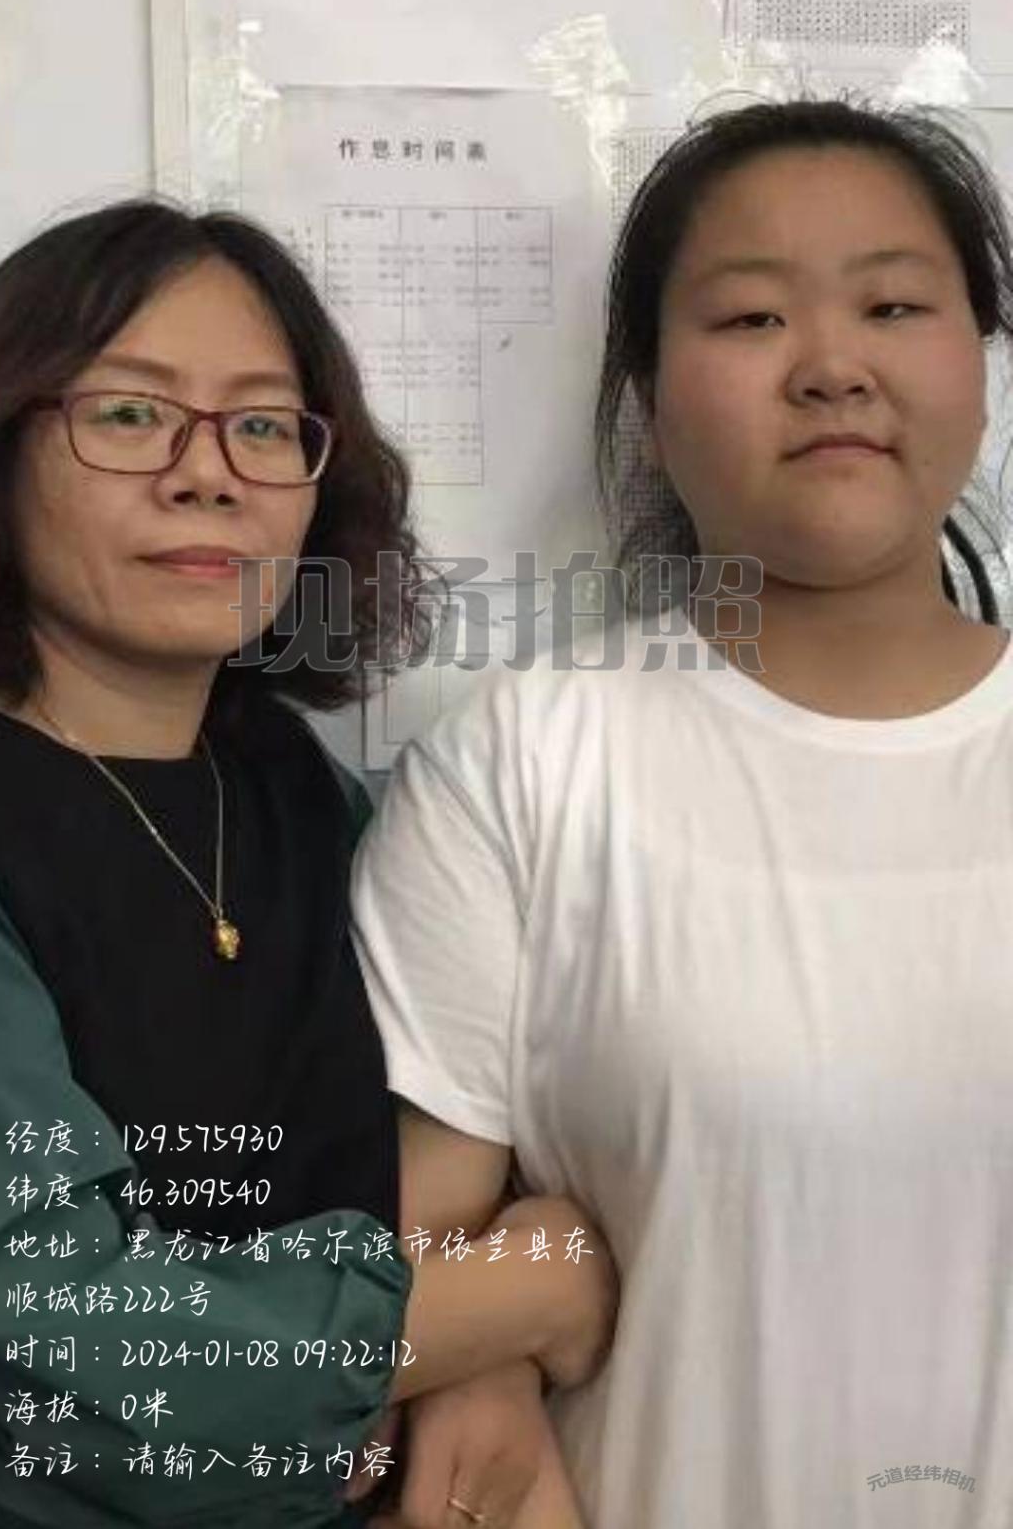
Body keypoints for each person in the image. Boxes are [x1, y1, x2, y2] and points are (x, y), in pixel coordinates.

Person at [350, 95, 1013, 1528]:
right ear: (648, 408)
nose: (832, 367)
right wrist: (489, 1349)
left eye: (895, 304)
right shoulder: (526, 762)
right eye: (753, 317)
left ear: (980, 362)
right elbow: (415, 1261)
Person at [0, 200, 616, 1528]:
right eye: (129, 413)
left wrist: (473, 1361)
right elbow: (66, 1356)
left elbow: (472, 1117)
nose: (208, 473)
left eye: (265, 426)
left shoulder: (305, 790)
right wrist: (536, 1289)